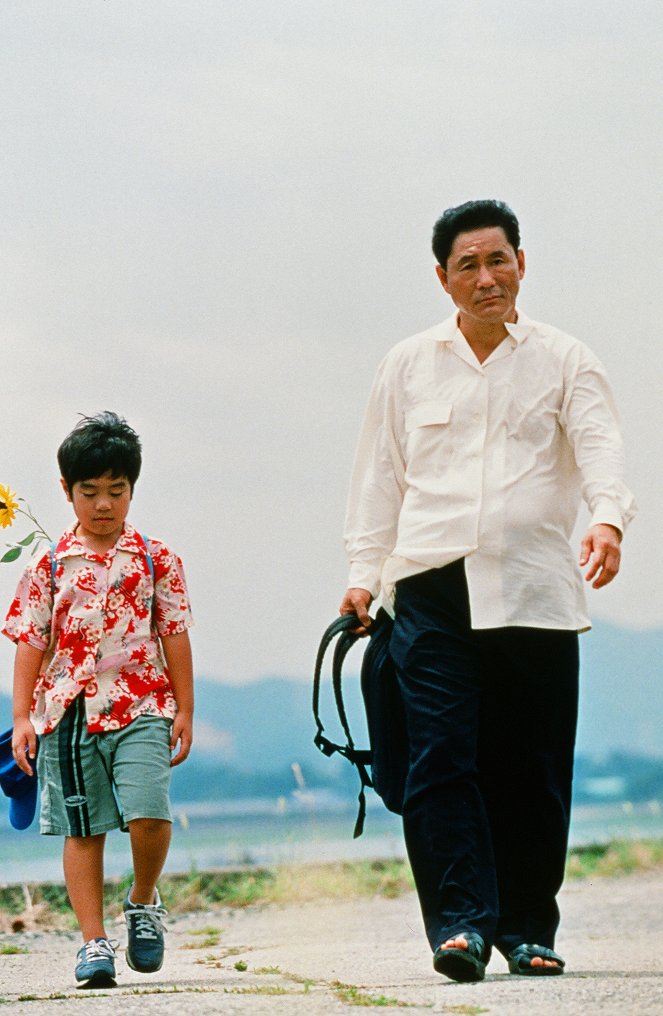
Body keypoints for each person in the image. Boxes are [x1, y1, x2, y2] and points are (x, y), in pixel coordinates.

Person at [340, 200, 636, 982]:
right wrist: (361, 578)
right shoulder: (406, 365)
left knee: (531, 766)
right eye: (466, 265)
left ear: (521, 264)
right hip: (431, 589)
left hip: (536, 590)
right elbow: (378, 480)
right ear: (442, 278)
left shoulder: (567, 360)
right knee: (441, 759)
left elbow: (602, 452)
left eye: (496, 259)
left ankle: (527, 929)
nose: (485, 277)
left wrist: (606, 520)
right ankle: (461, 927)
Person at [3, 412, 194, 988]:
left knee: (149, 813)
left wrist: (185, 709)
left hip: (142, 704)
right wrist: (21, 718)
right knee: (81, 828)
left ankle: (142, 902)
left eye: (117, 491)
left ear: (133, 488)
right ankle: (93, 944)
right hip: (66, 711)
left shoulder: (157, 558)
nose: (104, 504)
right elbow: (31, 644)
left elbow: (175, 633)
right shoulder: (48, 564)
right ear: (67, 491)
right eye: (90, 492)